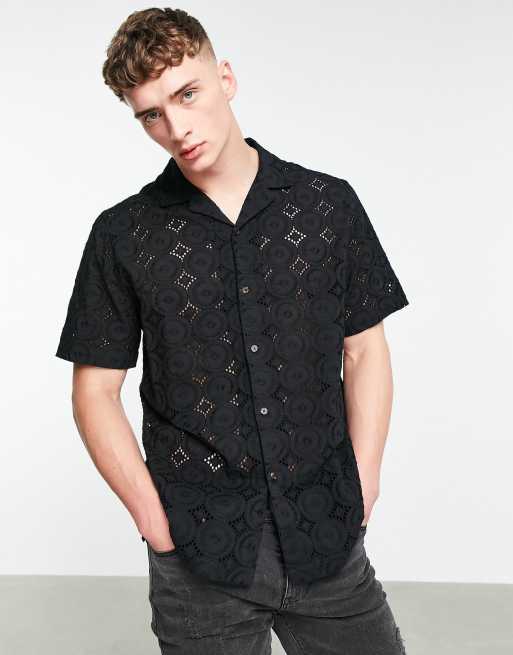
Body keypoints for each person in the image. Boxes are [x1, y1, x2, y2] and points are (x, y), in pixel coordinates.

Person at [55, 7, 410, 654]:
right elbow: (94, 392)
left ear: (225, 78)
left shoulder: (327, 205)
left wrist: (364, 481)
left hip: (325, 535)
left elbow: (364, 350)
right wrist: (153, 521)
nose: (176, 128)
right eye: (151, 115)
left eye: (187, 94)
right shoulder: (122, 234)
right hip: (198, 555)